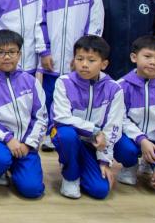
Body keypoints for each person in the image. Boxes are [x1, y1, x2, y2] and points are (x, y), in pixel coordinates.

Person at [35, 0, 104, 150]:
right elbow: (39, 23)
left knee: (76, 97)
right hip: (52, 58)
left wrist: (82, 56)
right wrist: (44, 51)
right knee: (49, 96)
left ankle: (77, 133)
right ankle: (51, 134)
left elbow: (95, 27)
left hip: (79, 59)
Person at [0, 30, 47, 199]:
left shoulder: (31, 82)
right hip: (0, 140)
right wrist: (8, 138)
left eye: (12, 52)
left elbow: (41, 117)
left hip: (25, 144)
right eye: (0, 52)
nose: (6, 57)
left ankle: (16, 166)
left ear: (19, 54)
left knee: (33, 190)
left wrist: (28, 143)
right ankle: (0, 169)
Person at [50, 35, 123, 199]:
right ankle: (70, 176)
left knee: (100, 191)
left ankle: (80, 164)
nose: (84, 64)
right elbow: (61, 117)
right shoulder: (64, 82)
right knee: (66, 135)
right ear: (73, 60)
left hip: (94, 144)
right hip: (71, 137)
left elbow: (113, 126)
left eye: (91, 60)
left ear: (104, 64)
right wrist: (94, 130)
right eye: (79, 59)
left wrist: (104, 160)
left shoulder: (114, 88)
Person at [114, 35, 155, 187]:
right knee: (122, 145)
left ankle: (152, 163)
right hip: (132, 139)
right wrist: (142, 139)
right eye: (147, 56)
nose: (153, 62)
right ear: (134, 57)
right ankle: (130, 166)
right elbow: (120, 120)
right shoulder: (121, 86)